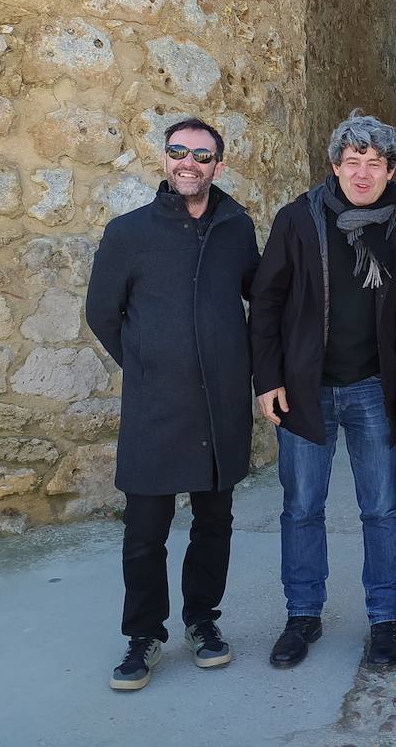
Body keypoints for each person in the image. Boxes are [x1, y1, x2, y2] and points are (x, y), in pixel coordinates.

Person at [85, 117, 260, 691]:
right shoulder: (127, 232)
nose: (190, 163)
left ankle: (202, 622)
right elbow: (102, 314)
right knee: (145, 532)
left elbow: (257, 297)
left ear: (218, 165)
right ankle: (144, 636)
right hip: (154, 408)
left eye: (202, 156)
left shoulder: (237, 228)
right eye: (179, 152)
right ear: (165, 159)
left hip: (220, 407)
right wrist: (143, 365)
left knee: (215, 524)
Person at [248, 111, 396, 670]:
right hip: (307, 388)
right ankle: (303, 616)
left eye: (375, 163)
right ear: (335, 165)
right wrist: (268, 379)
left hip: (376, 388)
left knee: (383, 508)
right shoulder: (299, 219)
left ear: (391, 170)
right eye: (354, 162)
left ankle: (384, 621)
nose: (364, 174)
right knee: (301, 507)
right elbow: (267, 303)